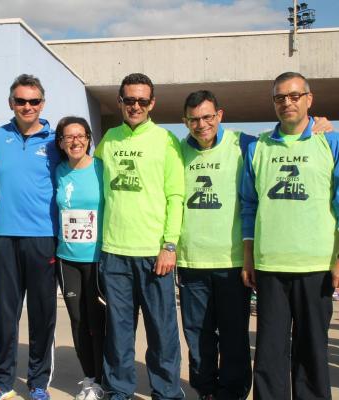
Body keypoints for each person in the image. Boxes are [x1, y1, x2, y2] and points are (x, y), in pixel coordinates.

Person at [241, 72, 339, 400]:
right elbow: (249, 209)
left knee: (311, 353)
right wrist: (250, 259)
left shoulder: (333, 141)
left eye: (295, 96)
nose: (287, 102)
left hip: (316, 267)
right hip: (270, 269)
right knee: (268, 356)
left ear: (309, 99)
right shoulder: (258, 147)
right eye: (280, 97)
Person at [95, 73, 185, 400]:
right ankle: (119, 391)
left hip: (154, 255)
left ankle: (167, 392)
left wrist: (169, 245)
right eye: (129, 100)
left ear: (152, 104)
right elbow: (94, 188)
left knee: (162, 333)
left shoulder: (166, 141)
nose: (135, 106)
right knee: (118, 333)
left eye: (142, 101)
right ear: (120, 101)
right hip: (114, 254)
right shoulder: (109, 140)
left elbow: (176, 197)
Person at [0, 74, 59, 400]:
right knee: (6, 316)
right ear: (11, 102)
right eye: (20, 100)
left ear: (42, 103)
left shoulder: (57, 141)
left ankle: (38, 383)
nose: (27, 106)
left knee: (42, 316)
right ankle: (0, 382)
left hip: (44, 239)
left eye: (34, 101)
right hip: (5, 239)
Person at [176, 90, 253, 400]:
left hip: (232, 262)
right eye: (194, 119)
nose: (201, 124)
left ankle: (232, 392)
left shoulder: (245, 145)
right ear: (185, 121)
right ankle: (206, 390)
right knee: (198, 336)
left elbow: (282, 141)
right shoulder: (177, 151)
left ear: (220, 115)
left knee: (234, 336)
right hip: (192, 262)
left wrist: (317, 124)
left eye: (208, 117)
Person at [54, 116, 106, 400]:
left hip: (97, 258)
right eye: (68, 137)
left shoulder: (102, 169)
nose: (75, 141)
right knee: (78, 321)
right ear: (60, 143)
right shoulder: (58, 172)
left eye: (80, 135)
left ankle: (103, 379)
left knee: (98, 322)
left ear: (88, 138)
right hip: (67, 258)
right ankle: (89, 379)